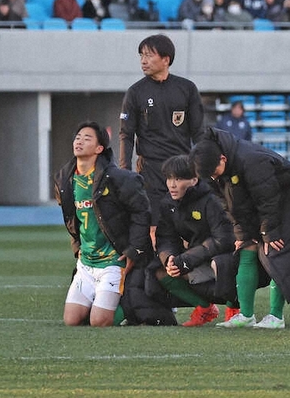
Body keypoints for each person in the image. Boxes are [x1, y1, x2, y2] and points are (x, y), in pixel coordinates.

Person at [190, 128, 290, 329]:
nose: (213, 178)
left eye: (214, 173)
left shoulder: (251, 160)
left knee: (275, 249)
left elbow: (268, 199)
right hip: (258, 200)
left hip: (288, 199)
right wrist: (241, 231)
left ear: (223, 159)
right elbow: (227, 203)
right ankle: (246, 315)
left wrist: (269, 232)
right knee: (246, 247)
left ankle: (276, 317)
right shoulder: (212, 171)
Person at [55, 121, 152, 327]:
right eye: (78, 137)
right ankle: (103, 298)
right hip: (86, 263)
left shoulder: (117, 178)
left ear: (99, 149)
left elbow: (141, 212)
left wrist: (134, 249)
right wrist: (77, 248)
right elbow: (72, 218)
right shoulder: (65, 179)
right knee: (71, 320)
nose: (79, 141)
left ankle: (130, 307)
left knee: (99, 322)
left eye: (87, 138)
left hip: (113, 262)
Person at [119, 35, 205, 235]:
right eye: (141, 55)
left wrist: (202, 168)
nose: (143, 60)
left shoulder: (187, 88)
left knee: (187, 227)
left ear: (166, 59)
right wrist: (124, 171)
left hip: (182, 168)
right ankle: (157, 265)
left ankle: (184, 264)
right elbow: (126, 134)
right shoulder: (135, 92)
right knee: (155, 228)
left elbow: (199, 133)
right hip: (151, 169)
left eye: (148, 55)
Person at [153, 155, 238, 327]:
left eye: (178, 179)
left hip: (225, 256)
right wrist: (169, 258)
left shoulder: (211, 200)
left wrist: (187, 259)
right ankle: (205, 308)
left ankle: (235, 308)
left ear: (194, 179)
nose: (172, 184)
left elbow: (224, 239)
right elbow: (165, 238)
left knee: (221, 264)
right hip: (196, 258)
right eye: (169, 178)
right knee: (160, 272)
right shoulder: (167, 204)